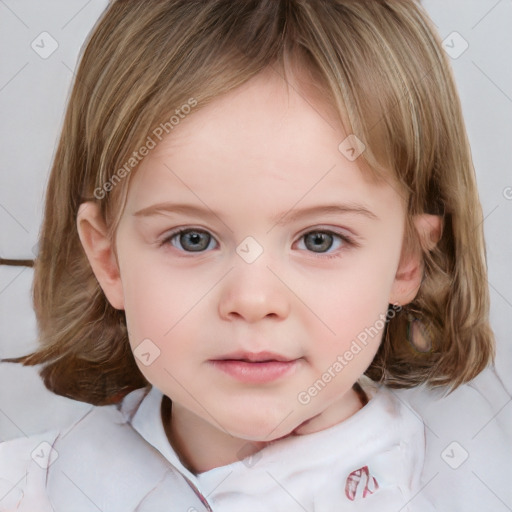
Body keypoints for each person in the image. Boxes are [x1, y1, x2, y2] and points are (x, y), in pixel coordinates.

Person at [0, 0, 497, 510]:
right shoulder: (27, 491)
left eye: (319, 239)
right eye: (192, 238)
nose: (253, 300)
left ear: (406, 260)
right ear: (108, 260)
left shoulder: (472, 488)